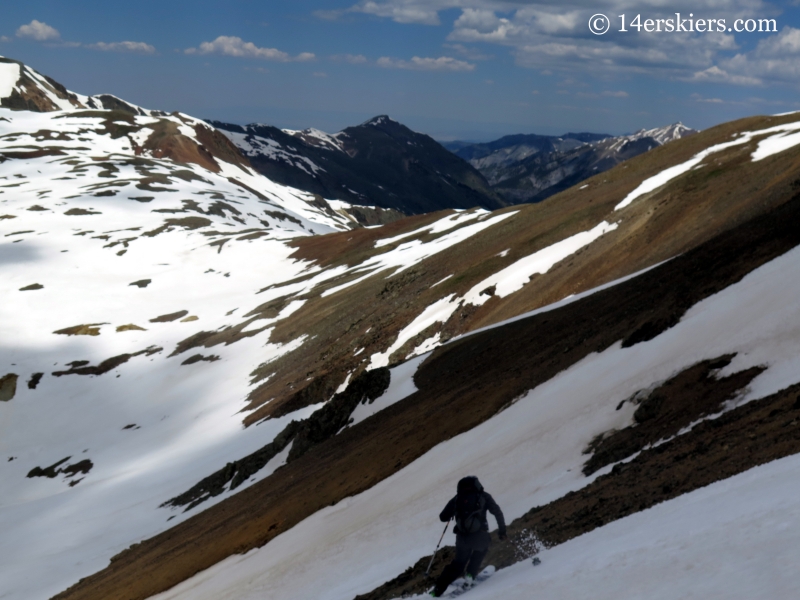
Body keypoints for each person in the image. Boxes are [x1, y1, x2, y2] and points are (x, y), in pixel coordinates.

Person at [431, 476, 506, 597]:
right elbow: (497, 512)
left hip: (462, 538)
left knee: (458, 564)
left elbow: (442, 517)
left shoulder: (457, 499)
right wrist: (502, 531)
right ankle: (470, 574)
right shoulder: (484, 496)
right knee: (481, 550)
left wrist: (454, 512)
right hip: (480, 535)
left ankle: (437, 590)